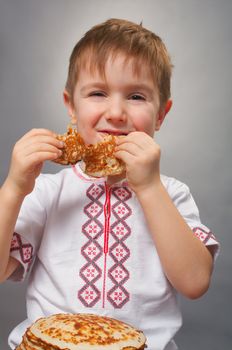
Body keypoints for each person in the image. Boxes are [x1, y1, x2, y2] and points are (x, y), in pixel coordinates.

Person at [0, 18, 219, 350]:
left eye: (135, 96)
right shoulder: (46, 192)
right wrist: (13, 189)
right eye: (98, 93)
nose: (116, 112)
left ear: (161, 114)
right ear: (71, 105)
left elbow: (195, 283)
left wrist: (149, 188)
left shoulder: (171, 193)